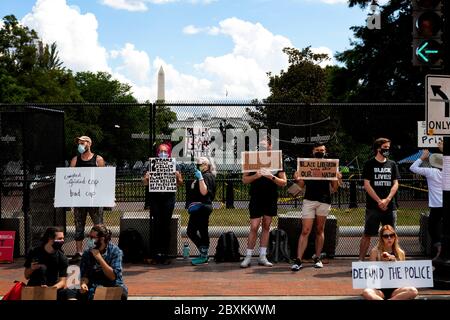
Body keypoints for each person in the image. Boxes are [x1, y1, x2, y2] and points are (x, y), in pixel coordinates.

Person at [291, 143, 341, 271]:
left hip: (324, 201)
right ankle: (298, 259)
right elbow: (299, 187)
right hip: (309, 200)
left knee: (320, 229)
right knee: (305, 230)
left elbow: (334, 188)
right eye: (317, 150)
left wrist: (337, 177)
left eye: (322, 150)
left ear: (326, 152)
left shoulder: (330, 166)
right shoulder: (306, 165)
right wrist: (297, 178)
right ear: (313, 151)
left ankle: (317, 257)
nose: (320, 152)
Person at [240, 136, 287, 268]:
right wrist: (256, 175)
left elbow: (284, 182)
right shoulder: (252, 159)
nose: (263, 148)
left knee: (266, 226)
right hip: (256, 197)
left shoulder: (277, 160)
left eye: (265, 146)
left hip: (270, 197)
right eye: (260, 146)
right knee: (254, 227)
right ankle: (248, 256)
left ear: (271, 146)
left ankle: (262, 256)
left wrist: (271, 176)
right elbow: (244, 179)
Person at [358, 137, 400, 261]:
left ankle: (394, 259)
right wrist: (379, 201)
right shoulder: (369, 164)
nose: (387, 150)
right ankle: (360, 261)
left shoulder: (392, 164)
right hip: (373, 207)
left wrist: (387, 200)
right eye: (385, 148)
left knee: (391, 235)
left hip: (389, 206)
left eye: (388, 148)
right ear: (378, 148)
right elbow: (367, 184)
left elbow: (396, 184)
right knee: (367, 234)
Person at [143, 143, 183, 264]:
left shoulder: (174, 164)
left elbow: (180, 183)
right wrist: (147, 178)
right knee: (156, 224)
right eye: (161, 151)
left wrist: (177, 176)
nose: (163, 154)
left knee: (166, 225)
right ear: (157, 152)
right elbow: (144, 182)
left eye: (165, 151)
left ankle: (165, 253)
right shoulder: (151, 164)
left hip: (168, 198)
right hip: (155, 198)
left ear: (169, 153)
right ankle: (156, 253)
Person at [69, 135, 105, 264]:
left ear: (89, 144)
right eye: (79, 143)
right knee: (79, 226)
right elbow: (70, 179)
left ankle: (97, 250)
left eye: (83, 143)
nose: (80, 145)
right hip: (79, 199)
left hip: (94, 200)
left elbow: (103, 179)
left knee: (99, 226)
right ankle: (79, 252)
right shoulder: (75, 160)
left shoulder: (98, 159)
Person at [362, 225, 418, 300]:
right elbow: (372, 276)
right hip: (380, 289)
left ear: (395, 237)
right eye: (386, 236)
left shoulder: (400, 253)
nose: (389, 238)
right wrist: (381, 263)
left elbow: (403, 276)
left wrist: (395, 262)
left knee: (413, 291)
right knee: (366, 292)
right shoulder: (375, 252)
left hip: (395, 289)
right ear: (382, 238)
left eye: (392, 235)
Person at [24, 226, 76, 300]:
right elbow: (26, 275)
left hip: (52, 288)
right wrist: (32, 268)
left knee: (70, 293)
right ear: (50, 239)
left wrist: (50, 289)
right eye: (59, 239)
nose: (62, 241)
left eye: (63, 238)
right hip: (34, 288)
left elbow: (62, 282)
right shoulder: (35, 252)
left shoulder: (62, 258)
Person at [409, 148, 443, 260]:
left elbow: (412, 168)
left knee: (432, 226)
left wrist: (421, 158)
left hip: (436, 205)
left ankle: (438, 245)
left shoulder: (431, 172)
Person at [79, 224, 128, 300]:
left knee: (122, 294)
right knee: (82, 293)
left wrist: (100, 259)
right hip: (95, 284)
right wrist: (83, 283)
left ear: (102, 239)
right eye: (89, 237)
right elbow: (84, 274)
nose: (89, 239)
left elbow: (113, 277)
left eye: (92, 237)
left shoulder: (115, 251)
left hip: (113, 284)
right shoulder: (87, 253)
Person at [186, 156, 216, 266]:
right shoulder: (204, 175)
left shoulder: (206, 176)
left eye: (200, 164)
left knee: (195, 231)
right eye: (197, 164)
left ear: (206, 165)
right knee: (200, 230)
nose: (198, 166)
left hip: (202, 207)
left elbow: (204, 192)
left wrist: (200, 179)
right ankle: (203, 253)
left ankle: (204, 254)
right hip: (199, 208)